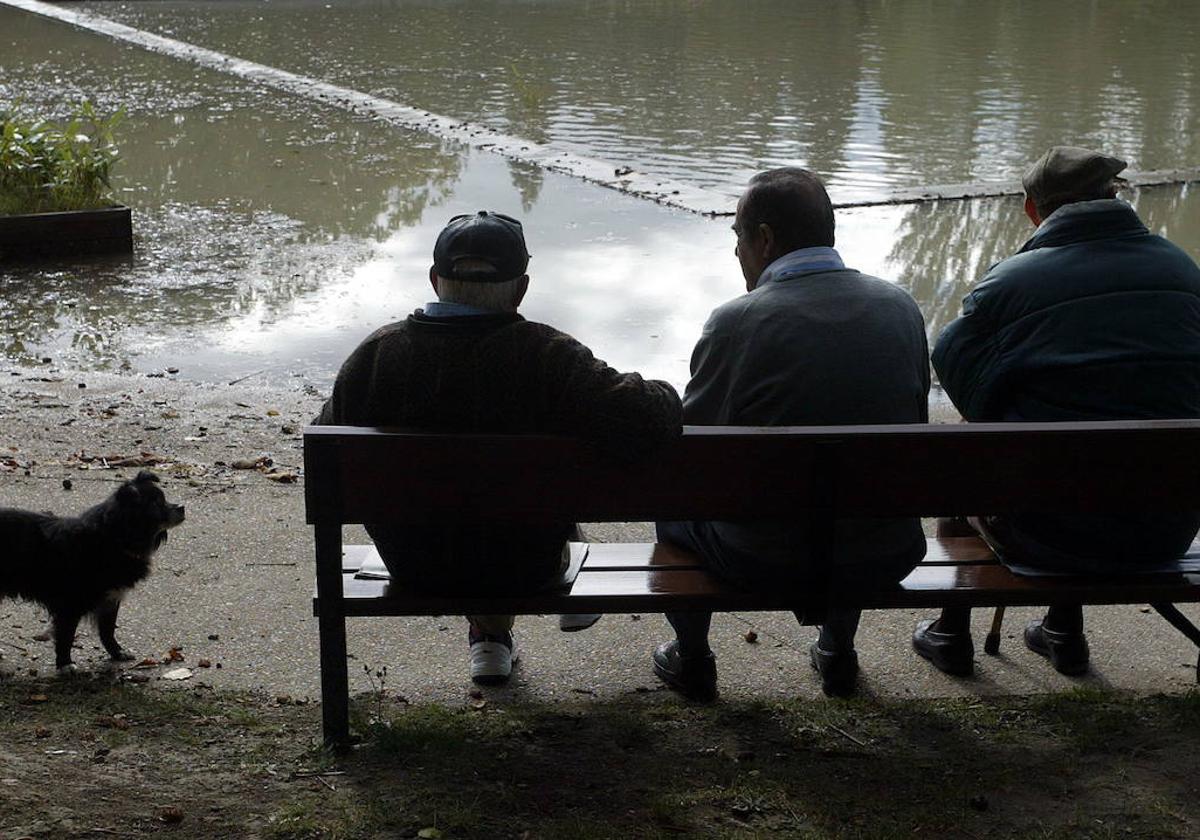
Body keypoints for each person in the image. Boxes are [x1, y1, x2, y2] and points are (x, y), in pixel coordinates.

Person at [317, 211, 681, 684]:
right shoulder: (547, 355)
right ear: (521, 288)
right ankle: (521, 609)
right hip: (528, 569)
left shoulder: (376, 355)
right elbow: (645, 417)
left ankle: (489, 639)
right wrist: (667, 391)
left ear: (435, 279)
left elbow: (325, 449)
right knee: (521, 499)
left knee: (474, 507)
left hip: (415, 565)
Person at [912, 146, 1200, 677]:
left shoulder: (1011, 283)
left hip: (1050, 535)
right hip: (1166, 528)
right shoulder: (1183, 272)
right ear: (1116, 196)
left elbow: (957, 370)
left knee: (971, 459)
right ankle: (1062, 631)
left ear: (1032, 210)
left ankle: (951, 633)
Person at [652, 167, 931, 700]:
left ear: (763, 239)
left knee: (675, 499)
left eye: (737, 236)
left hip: (763, 558)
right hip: (882, 550)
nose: (736, 252)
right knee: (854, 491)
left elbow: (691, 447)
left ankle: (692, 658)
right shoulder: (900, 308)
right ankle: (836, 650)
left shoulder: (738, 321)